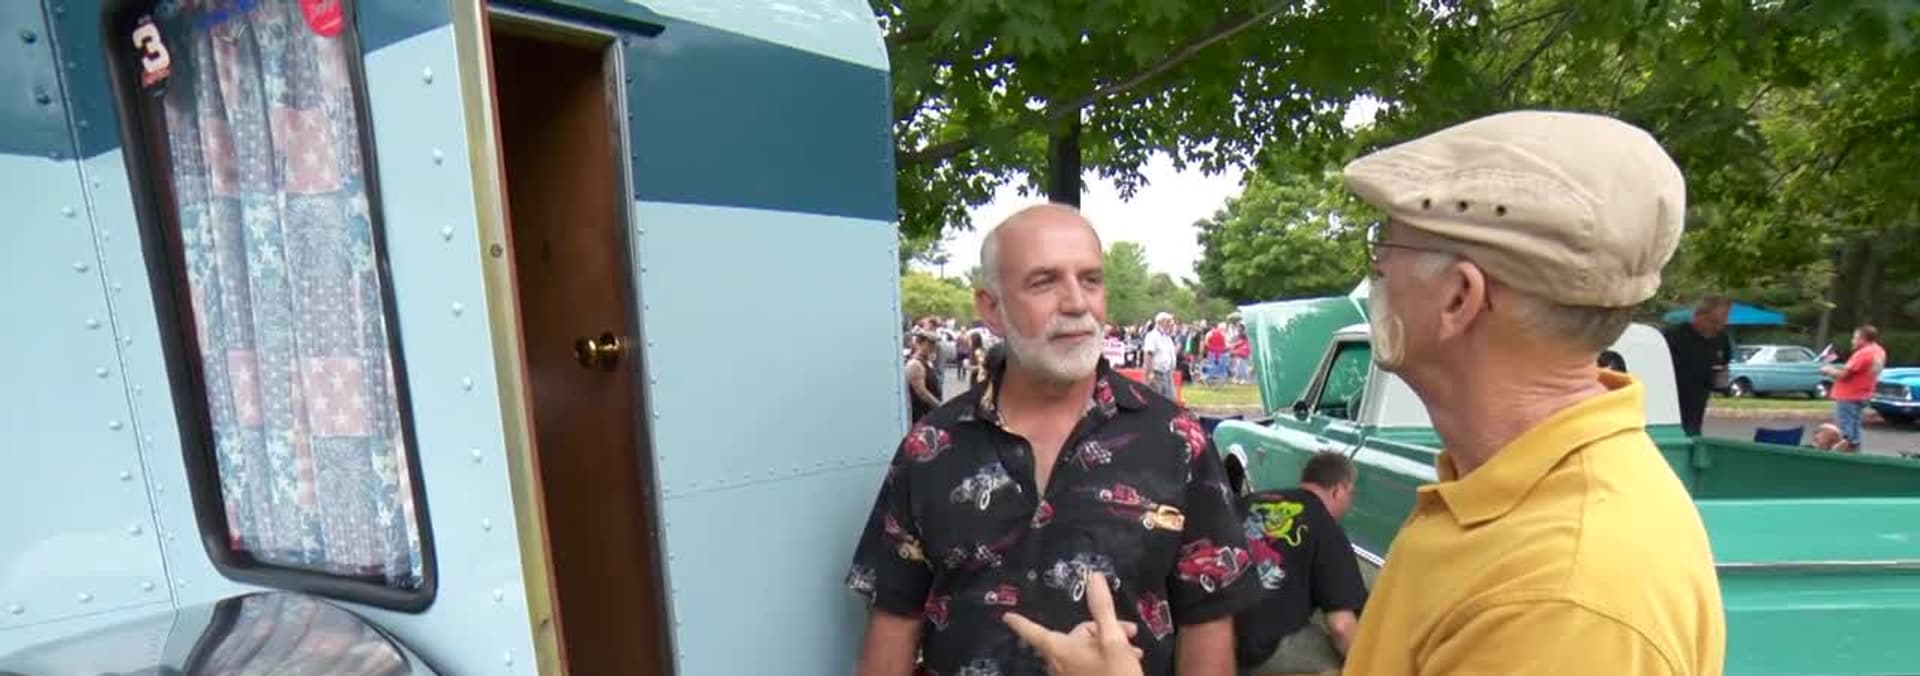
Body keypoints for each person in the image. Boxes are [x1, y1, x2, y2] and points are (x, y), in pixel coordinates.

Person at [1339, 111, 1725, 674]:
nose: (1378, 271)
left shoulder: (1559, 599)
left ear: (1458, 298)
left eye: (1385, 247)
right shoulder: (1520, 498)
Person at [847, 204, 1258, 676]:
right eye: (1043, 282)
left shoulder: (1177, 441)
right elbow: (894, 622)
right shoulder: (930, 449)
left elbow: (1208, 621)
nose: (1077, 303)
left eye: (1091, 280)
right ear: (991, 307)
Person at [1232, 452, 1368, 676]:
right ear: (1339, 490)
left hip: (1210, 633)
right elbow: (1341, 626)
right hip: (1256, 650)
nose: (1350, 503)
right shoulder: (1327, 529)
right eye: (1351, 494)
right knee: (1343, 660)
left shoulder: (1250, 500)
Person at [1663, 296, 1734, 436]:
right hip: (1671, 400)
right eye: (1713, 322)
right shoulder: (1675, 336)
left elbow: (1723, 364)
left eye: (1723, 322)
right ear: (1698, 316)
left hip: (1698, 403)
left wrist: (1721, 381)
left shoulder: (1721, 339)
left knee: (1693, 433)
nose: (1718, 327)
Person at [1821, 325, 1886, 451]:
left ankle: (1846, 454)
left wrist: (1828, 370)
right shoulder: (1879, 351)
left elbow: (1844, 375)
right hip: (1863, 394)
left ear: (1863, 339)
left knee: (1845, 430)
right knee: (1855, 428)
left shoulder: (1863, 354)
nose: (1852, 341)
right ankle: (1855, 453)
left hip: (1849, 395)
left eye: (1855, 338)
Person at [1144, 312, 1180, 401]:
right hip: (1157, 373)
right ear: (1160, 322)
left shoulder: (1166, 337)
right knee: (1157, 399)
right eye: (1167, 322)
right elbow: (1149, 355)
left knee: (1170, 399)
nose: (1169, 325)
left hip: (1167, 373)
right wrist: (1149, 373)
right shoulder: (1152, 336)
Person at [905, 334, 941, 422]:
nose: (933, 347)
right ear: (919, 344)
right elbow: (922, 392)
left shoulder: (927, 362)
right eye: (929, 344)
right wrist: (939, 406)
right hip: (921, 413)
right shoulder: (915, 364)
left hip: (929, 412)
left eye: (934, 344)